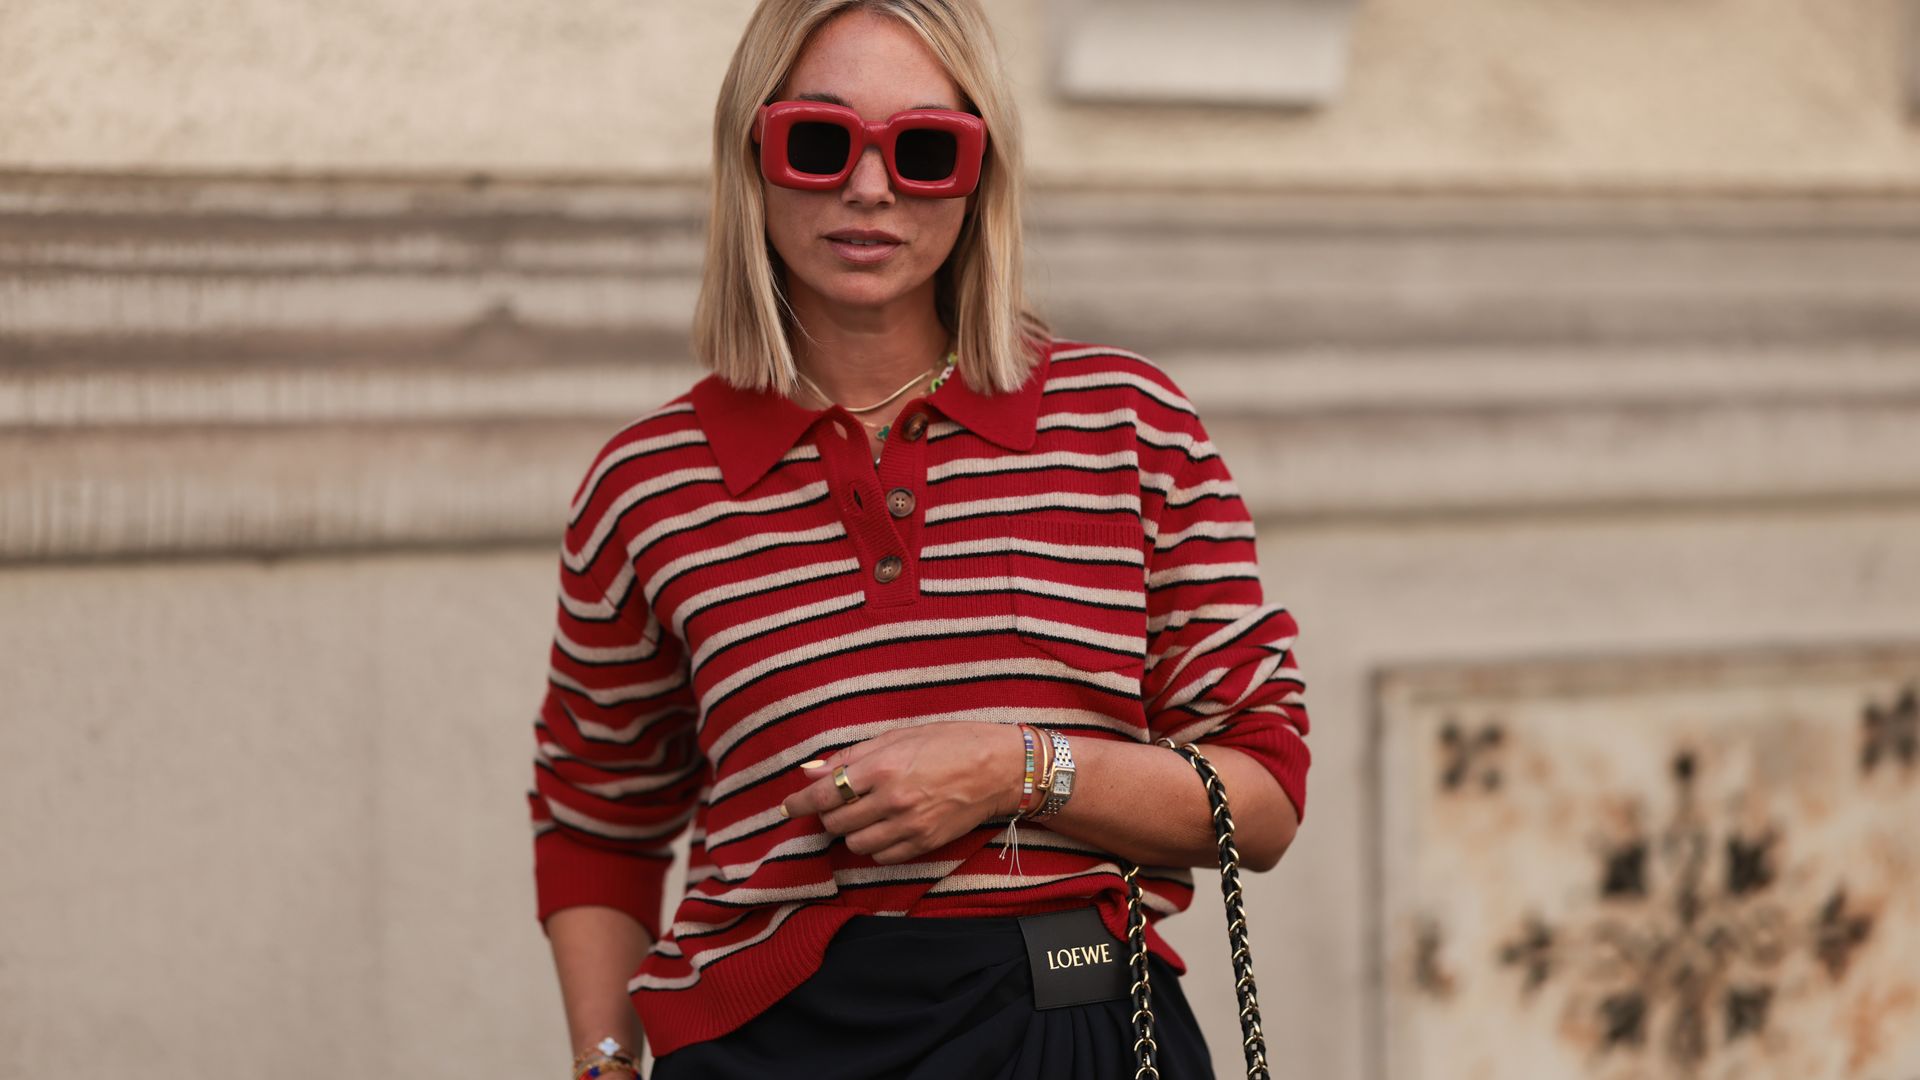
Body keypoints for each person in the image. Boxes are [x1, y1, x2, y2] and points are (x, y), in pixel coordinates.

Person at [528, 1, 1311, 1076]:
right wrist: (606, 1063)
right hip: (766, 1049)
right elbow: (597, 820)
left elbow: (1261, 796)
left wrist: (1019, 767)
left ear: (980, 173)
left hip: (1069, 1027)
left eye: (925, 149)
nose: (869, 185)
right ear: (750, 158)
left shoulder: (1128, 424)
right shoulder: (649, 483)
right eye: (819, 140)